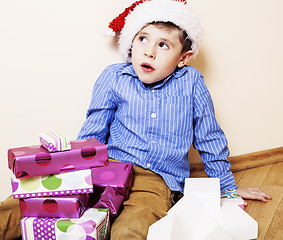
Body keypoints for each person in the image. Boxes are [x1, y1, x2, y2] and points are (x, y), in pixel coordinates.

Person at [0, 0, 272, 239]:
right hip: (107, 166)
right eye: (143, 39)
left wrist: (227, 189)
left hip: (156, 178)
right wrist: (75, 174)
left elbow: (209, 136)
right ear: (131, 41)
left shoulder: (191, 83)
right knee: (31, 204)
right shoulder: (114, 77)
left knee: (134, 227)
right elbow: (94, 130)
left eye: (163, 45)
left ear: (183, 57)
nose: (149, 52)